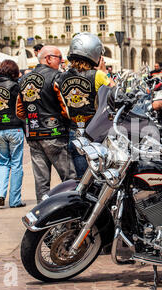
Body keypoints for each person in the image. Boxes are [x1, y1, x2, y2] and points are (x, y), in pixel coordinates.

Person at [16, 45, 76, 203]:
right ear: (48, 58)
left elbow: (20, 111)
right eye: (59, 57)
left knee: (41, 181)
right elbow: (66, 107)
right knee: (69, 179)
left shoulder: (24, 79)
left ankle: (42, 214)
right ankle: (72, 214)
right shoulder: (57, 77)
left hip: (33, 134)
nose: (62, 61)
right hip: (54, 133)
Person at [54, 32, 113, 178]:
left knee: (83, 177)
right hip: (96, 130)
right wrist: (104, 72)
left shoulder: (60, 78)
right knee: (100, 175)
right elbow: (116, 93)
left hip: (74, 131)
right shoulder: (98, 75)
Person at [0, 59, 25, 209]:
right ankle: (15, 200)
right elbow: (21, 107)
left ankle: (0, 194)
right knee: (16, 164)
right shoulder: (15, 86)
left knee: (3, 164)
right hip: (14, 128)